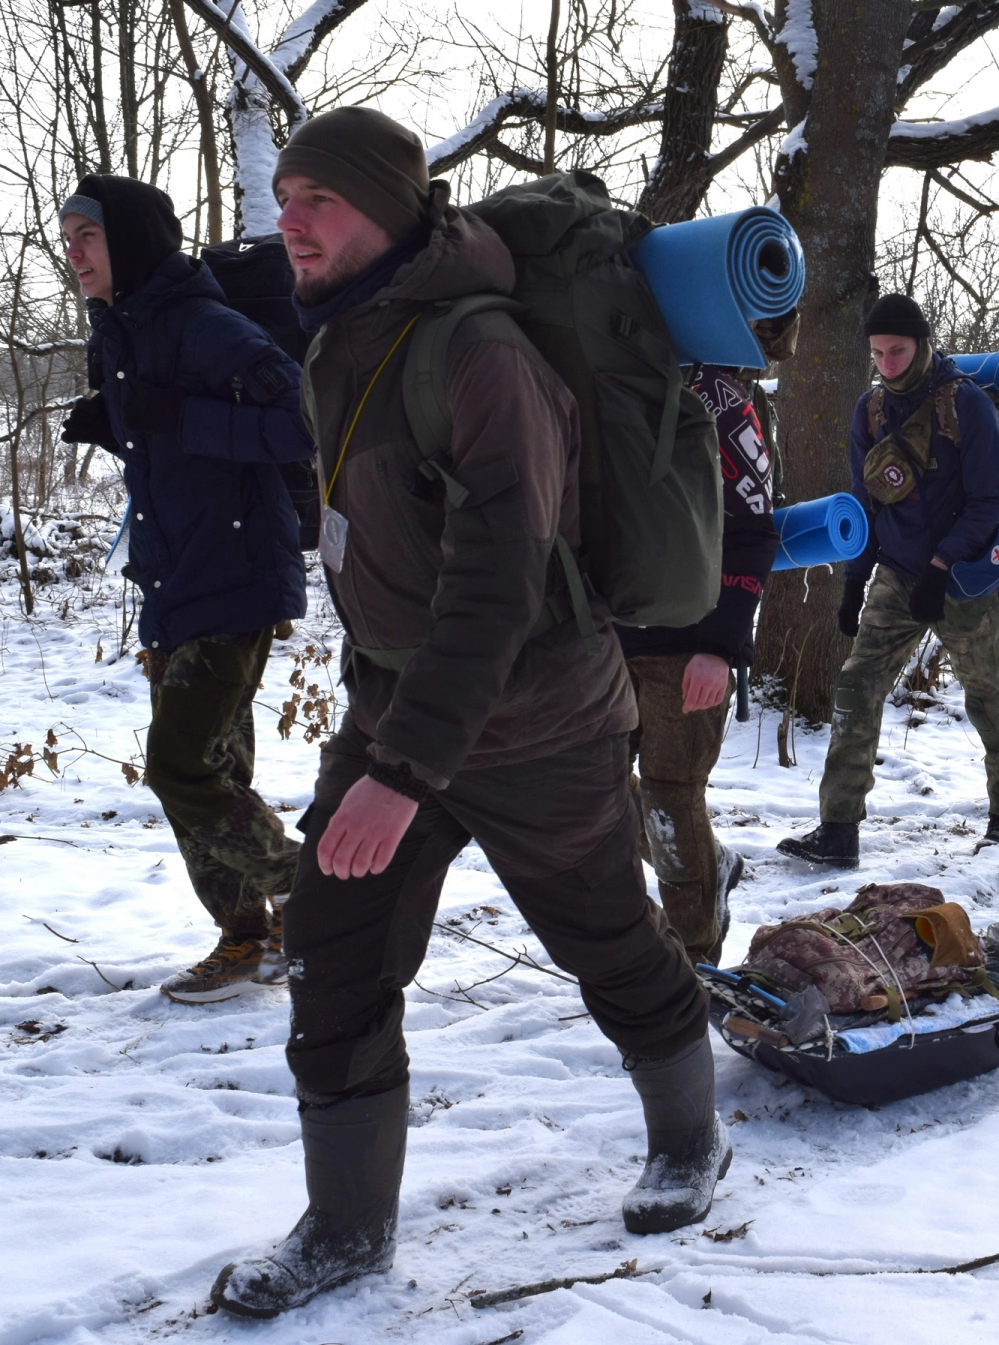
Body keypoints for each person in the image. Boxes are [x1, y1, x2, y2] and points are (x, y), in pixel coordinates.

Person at [208, 109, 720, 1320]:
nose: (292, 219)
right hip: (399, 707)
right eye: (284, 194)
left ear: (389, 208)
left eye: (319, 198)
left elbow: (498, 586)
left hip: (540, 718)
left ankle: (691, 1138)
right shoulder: (345, 334)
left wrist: (402, 771)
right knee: (333, 949)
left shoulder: (482, 354)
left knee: (603, 937)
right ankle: (344, 1228)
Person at [58, 177, 315, 1004]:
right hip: (173, 575)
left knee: (179, 765)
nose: (73, 254)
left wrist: (180, 418)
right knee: (215, 774)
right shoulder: (123, 328)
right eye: (65, 238)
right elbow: (171, 448)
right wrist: (120, 423)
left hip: (235, 574)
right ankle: (249, 938)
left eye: (86, 237)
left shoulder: (203, 323)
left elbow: (305, 421)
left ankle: (325, 895)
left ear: (128, 241)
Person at [777, 294, 999, 868]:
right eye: (877, 352)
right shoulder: (870, 411)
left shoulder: (967, 407)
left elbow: (989, 501)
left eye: (898, 350)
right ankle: (838, 831)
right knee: (856, 687)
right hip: (898, 573)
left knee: (986, 693)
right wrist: (853, 582)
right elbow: (865, 504)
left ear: (923, 345)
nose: (887, 363)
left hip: (961, 578)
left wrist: (944, 565)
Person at [622, 317, 793, 969]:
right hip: (604, 637)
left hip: (687, 642)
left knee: (669, 794)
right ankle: (709, 866)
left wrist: (722, 644)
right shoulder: (599, 383)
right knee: (587, 787)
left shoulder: (719, 399)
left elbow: (754, 530)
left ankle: (693, 954)